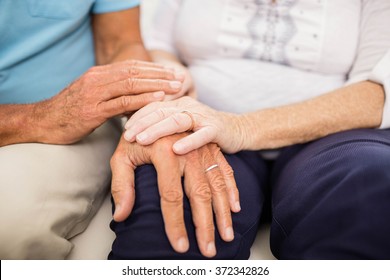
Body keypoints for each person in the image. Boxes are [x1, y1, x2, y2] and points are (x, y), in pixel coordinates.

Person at [120, 0, 390, 259]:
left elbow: (377, 93)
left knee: (367, 183)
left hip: (333, 135)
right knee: (172, 201)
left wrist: (240, 127)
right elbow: (157, 45)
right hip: (205, 129)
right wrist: (172, 74)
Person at [0, 0, 235, 259]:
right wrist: (34, 118)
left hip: (80, 124)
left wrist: (153, 117)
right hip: (40, 119)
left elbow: (120, 42)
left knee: (11, 223)